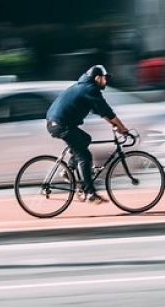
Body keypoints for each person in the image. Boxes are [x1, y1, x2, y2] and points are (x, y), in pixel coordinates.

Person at [46, 65, 129, 204]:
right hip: (61, 125)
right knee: (85, 156)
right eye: (104, 78)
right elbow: (107, 110)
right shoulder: (90, 89)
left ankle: (69, 170)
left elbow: (101, 112)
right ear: (97, 78)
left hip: (58, 123)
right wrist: (122, 128)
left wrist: (115, 125)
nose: (106, 81)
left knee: (85, 139)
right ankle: (90, 193)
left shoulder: (84, 87)